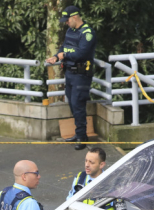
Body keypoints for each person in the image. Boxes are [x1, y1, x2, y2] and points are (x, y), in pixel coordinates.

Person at [45, 6, 95, 150]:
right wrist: (56, 56)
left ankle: (81, 137)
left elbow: (82, 54)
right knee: (72, 104)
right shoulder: (70, 31)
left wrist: (64, 56)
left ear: (74, 17)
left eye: (67, 20)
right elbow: (64, 47)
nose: (66, 23)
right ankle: (79, 133)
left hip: (81, 74)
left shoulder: (87, 33)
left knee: (78, 104)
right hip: (70, 73)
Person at [66, 146, 126, 210]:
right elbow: (69, 202)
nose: (87, 165)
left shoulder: (113, 183)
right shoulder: (79, 178)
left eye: (91, 162)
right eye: (86, 161)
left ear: (101, 165)